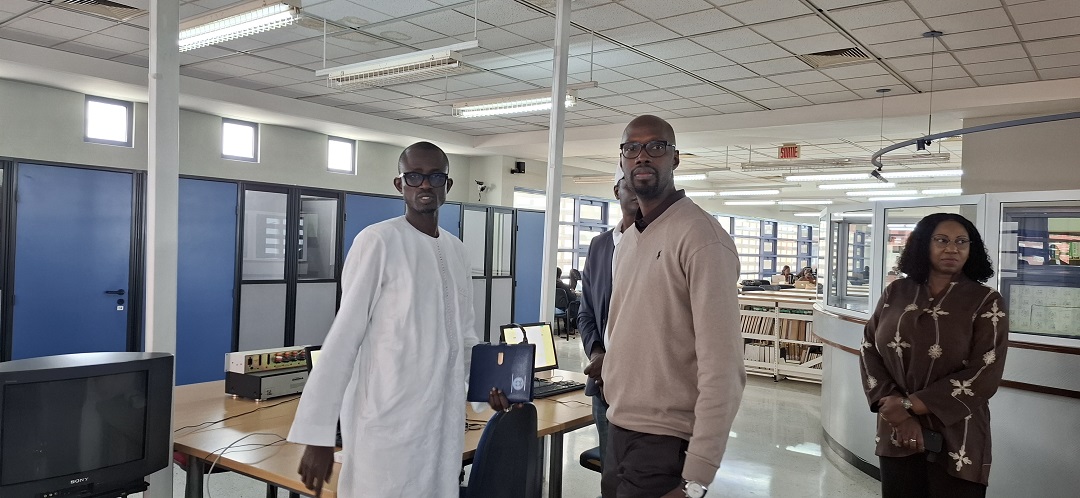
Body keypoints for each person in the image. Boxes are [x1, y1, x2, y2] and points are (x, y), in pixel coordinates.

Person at [287, 142, 481, 497]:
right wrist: (319, 434)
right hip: (387, 424)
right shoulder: (377, 241)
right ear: (399, 184)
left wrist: (486, 389)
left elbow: (464, 336)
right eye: (414, 176)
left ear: (448, 185)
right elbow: (343, 341)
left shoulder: (456, 250)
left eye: (435, 177)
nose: (425, 185)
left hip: (443, 425)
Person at [601, 115, 745, 498]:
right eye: (631, 148)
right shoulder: (629, 241)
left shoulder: (702, 238)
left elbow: (724, 368)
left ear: (675, 158)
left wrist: (697, 478)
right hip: (619, 429)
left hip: (665, 442)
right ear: (622, 160)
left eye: (656, 146)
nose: (642, 156)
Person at [860, 213, 1008, 498]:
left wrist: (909, 405)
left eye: (961, 242)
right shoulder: (896, 292)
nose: (952, 249)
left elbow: (985, 371)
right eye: (941, 240)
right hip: (896, 428)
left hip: (958, 431)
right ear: (923, 245)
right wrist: (897, 411)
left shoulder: (985, 300)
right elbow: (869, 347)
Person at [576, 167, 638, 478]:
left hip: (644, 390)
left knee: (641, 478)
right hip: (603, 386)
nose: (638, 190)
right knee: (611, 477)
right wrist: (598, 354)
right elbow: (586, 312)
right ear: (617, 191)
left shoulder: (660, 243)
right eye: (630, 183)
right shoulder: (600, 246)